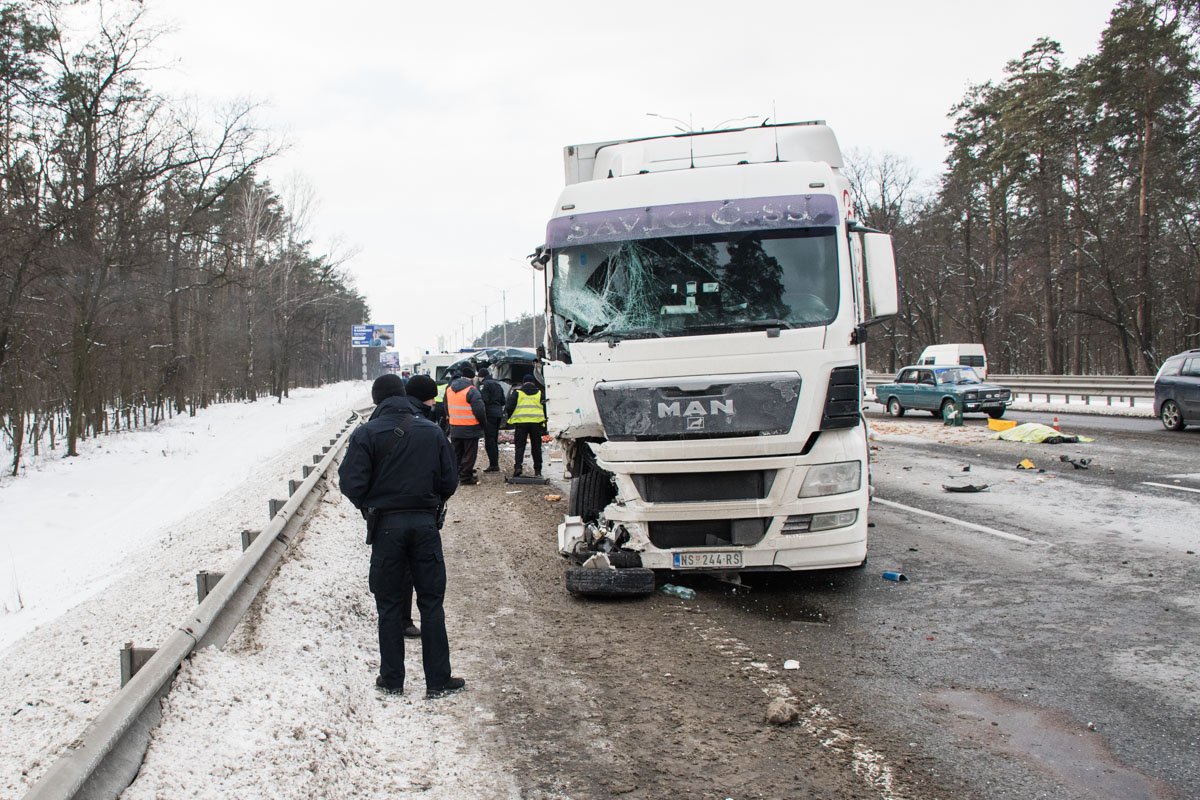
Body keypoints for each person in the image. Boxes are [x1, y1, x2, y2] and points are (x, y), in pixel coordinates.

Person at [338, 374, 466, 698]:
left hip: (386, 529)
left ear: (377, 400)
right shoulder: (432, 431)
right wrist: (429, 501)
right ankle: (438, 681)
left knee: (390, 605)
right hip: (425, 527)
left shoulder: (365, 434)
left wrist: (370, 506)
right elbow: (450, 481)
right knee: (432, 604)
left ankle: (392, 680)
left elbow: (351, 484)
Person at [444, 364, 486, 484]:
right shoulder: (472, 390)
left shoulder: (449, 389)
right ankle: (466, 477)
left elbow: (446, 406)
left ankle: (456, 474)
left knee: (457, 452)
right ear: (472, 378)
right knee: (469, 454)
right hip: (470, 427)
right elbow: (479, 410)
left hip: (454, 426)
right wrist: (483, 424)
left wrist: (450, 419)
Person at [506, 378, 547, 477]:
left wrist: (512, 417)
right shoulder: (540, 394)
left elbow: (509, 407)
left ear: (523, 383)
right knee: (536, 447)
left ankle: (518, 467)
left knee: (520, 446)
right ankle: (538, 470)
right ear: (533, 383)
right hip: (536, 424)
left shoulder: (517, 393)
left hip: (521, 423)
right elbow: (546, 408)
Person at [477, 367, 506, 473]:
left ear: (481, 376)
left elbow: (483, 400)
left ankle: (493, 465)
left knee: (489, 440)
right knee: (494, 439)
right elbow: (503, 401)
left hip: (489, 415)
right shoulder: (497, 384)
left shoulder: (484, 385)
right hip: (498, 414)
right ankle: (495, 463)